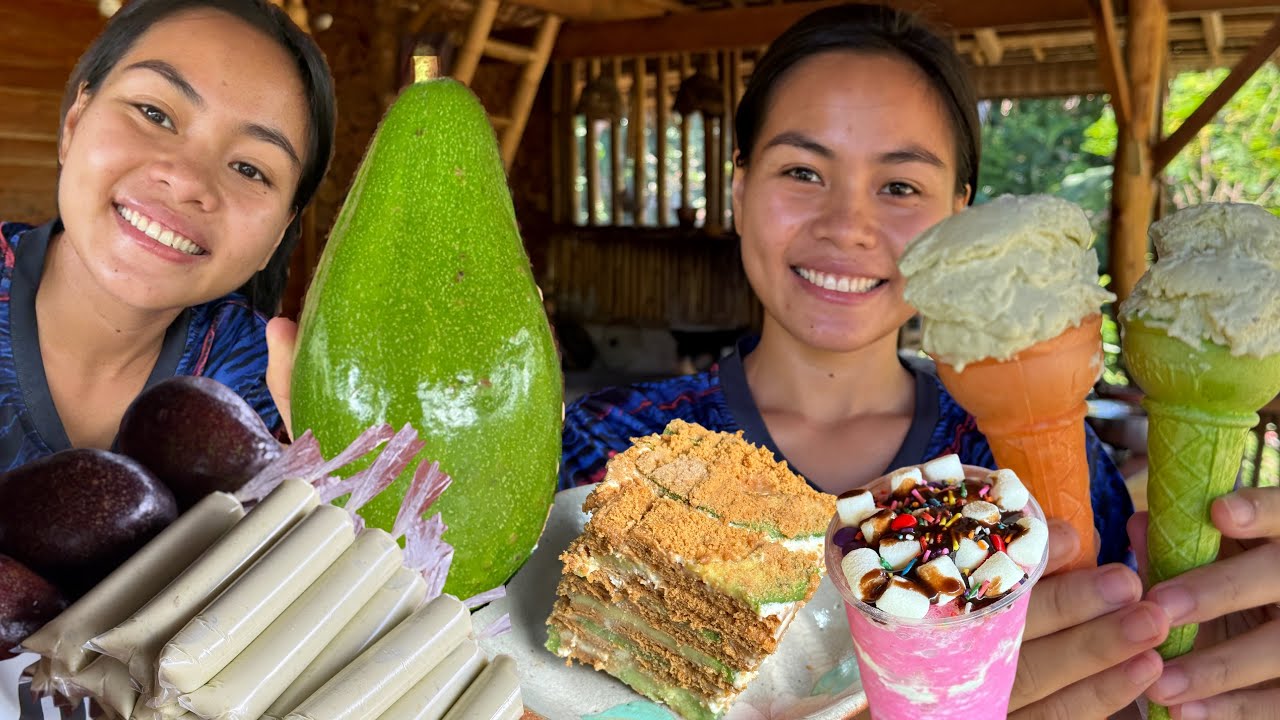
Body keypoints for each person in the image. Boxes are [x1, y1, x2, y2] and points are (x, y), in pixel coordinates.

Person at [561, 5, 1280, 718]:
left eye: (900, 186)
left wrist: (1192, 660)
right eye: (803, 171)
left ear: (957, 218)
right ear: (742, 189)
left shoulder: (1020, 470)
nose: (847, 225)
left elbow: (1115, 668)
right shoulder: (604, 451)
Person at [0, 0, 335, 470]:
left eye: (248, 168)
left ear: (279, 232)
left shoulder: (273, 393)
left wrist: (344, 499)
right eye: (155, 114)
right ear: (74, 124)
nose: (188, 180)